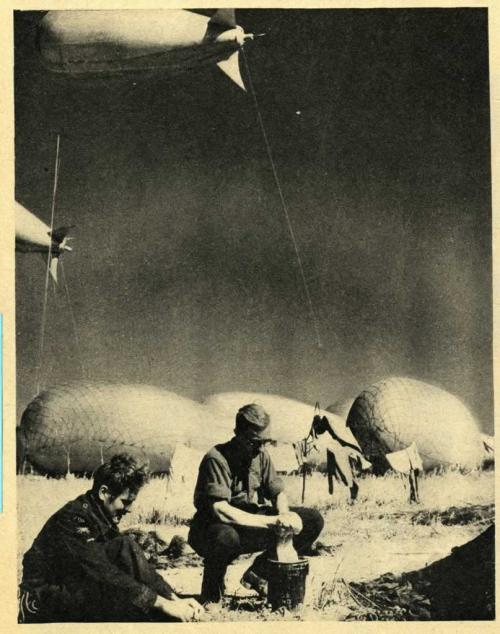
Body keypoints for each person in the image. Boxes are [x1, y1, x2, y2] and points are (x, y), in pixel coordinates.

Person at [19, 453, 203, 623]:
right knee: (126, 604)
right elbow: (103, 573)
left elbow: (131, 560)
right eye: (125, 501)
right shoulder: (72, 518)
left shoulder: (98, 513)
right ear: (104, 493)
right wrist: (161, 604)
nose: (129, 509)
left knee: (125, 545)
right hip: (41, 598)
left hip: (75, 584)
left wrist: (173, 598)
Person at [188, 403, 324, 604]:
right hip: (212, 528)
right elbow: (221, 511)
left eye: (265, 442)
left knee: (311, 520)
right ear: (237, 433)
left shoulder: (261, 455)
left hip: (249, 524)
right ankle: (211, 591)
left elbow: (277, 492)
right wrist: (273, 523)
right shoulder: (216, 458)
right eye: (254, 442)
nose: (260, 448)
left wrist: (285, 515)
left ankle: (259, 573)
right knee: (225, 538)